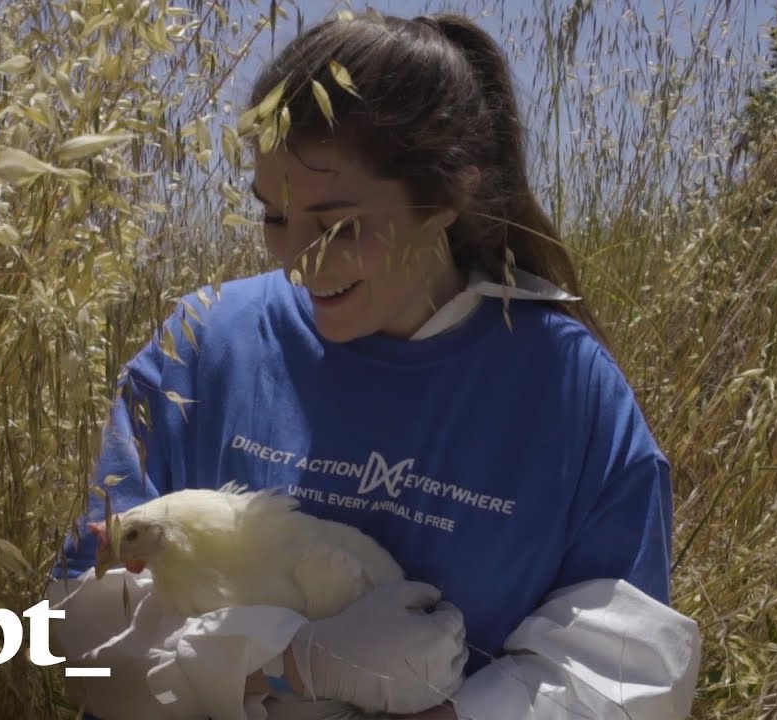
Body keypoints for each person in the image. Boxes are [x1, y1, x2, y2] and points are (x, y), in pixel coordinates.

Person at [47, 12, 701, 720]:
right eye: (274, 217)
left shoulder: (565, 388)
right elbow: (87, 632)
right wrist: (288, 664)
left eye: (338, 226)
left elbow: (624, 672)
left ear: (447, 197)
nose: (299, 260)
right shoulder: (205, 346)